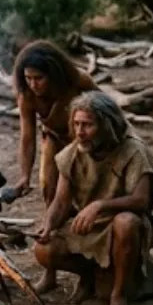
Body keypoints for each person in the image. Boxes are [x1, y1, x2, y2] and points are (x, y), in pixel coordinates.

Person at [33, 91, 153, 305]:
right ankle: (90, 274)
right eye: (76, 124)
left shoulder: (133, 150)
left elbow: (141, 201)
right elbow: (61, 201)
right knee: (43, 250)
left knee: (126, 222)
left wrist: (100, 205)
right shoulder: (73, 153)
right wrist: (48, 226)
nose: (79, 132)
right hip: (91, 225)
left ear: (107, 125)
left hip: (124, 224)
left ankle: (119, 295)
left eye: (87, 125)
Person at [13, 39, 99, 209]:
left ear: (53, 74)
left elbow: (106, 110)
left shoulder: (78, 81)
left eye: (39, 78)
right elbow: (27, 138)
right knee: (49, 187)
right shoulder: (27, 97)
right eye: (28, 78)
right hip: (54, 136)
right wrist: (25, 176)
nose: (33, 84)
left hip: (85, 138)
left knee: (90, 186)